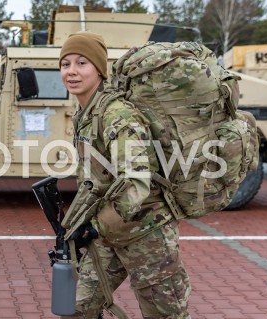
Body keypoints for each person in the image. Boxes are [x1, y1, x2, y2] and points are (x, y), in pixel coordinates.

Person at [59, 31, 191, 319]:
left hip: (148, 236)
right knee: (77, 309)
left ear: (99, 69)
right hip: (109, 236)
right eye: (65, 64)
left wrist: (95, 227)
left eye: (82, 63)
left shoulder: (118, 115)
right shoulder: (85, 114)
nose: (71, 71)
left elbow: (135, 182)